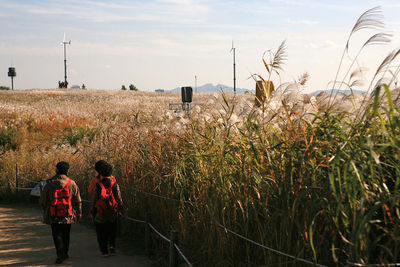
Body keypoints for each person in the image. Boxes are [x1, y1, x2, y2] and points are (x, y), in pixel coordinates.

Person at [39, 161, 82, 264]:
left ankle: (60, 254)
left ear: (56, 170)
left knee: (56, 234)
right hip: (68, 213)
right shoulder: (71, 183)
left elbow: (43, 200)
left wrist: (44, 209)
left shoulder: (49, 183)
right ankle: (65, 253)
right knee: (66, 233)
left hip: (53, 214)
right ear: (67, 170)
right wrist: (79, 212)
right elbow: (77, 199)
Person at [91, 161, 123, 256]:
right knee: (112, 229)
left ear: (100, 172)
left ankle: (104, 251)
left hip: (101, 212)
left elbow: (94, 199)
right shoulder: (114, 184)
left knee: (101, 232)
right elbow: (118, 198)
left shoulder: (98, 185)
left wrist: (92, 210)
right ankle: (112, 245)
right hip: (112, 211)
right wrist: (121, 208)